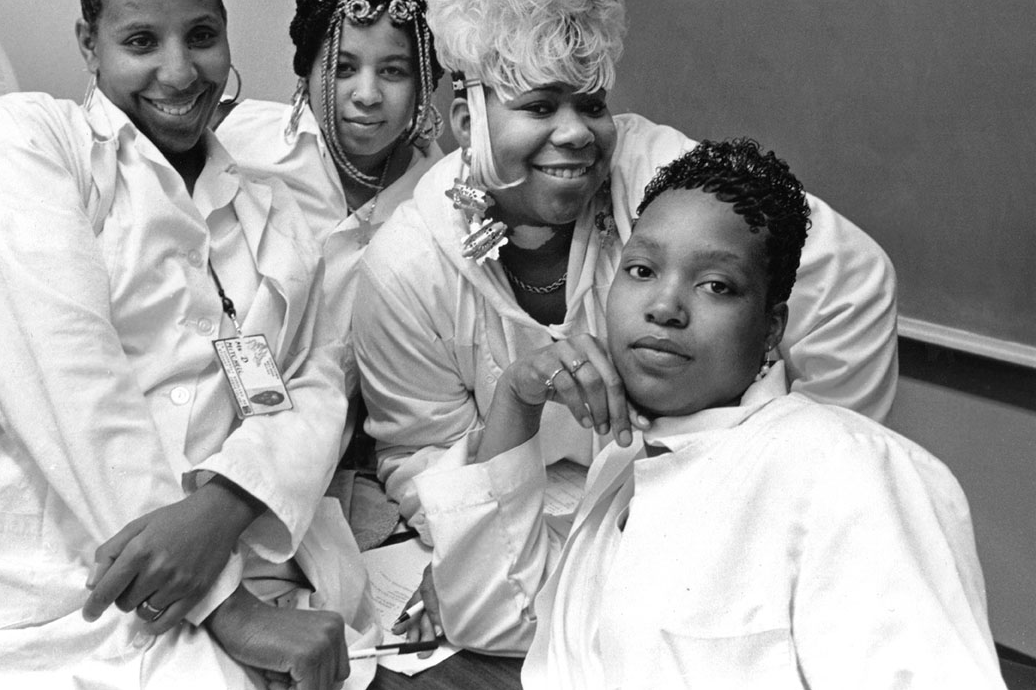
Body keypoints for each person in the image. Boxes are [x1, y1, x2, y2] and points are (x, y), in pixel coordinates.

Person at [0, 0, 374, 690]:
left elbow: (314, 387)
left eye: (201, 35)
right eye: (141, 41)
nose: (179, 72)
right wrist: (226, 607)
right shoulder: (27, 142)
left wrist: (226, 503)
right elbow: (66, 370)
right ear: (89, 44)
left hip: (186, 578)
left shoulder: (275, 214)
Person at [353, 0, 898, 548]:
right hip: (524, 553)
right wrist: (527, 538)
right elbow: (419, 456)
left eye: (591, 104)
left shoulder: (660, 177)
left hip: (694, 530)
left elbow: (851, 279)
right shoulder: (407, 266)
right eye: (539, 106)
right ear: (469, 123)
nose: (576, 133)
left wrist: (803, 489)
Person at [411, 139, 1005, 687]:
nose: (665, 306)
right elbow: (493, 616)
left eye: (717, 285)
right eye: (642, 270)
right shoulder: (624, 465)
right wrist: (516, 401)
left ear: (771, 328)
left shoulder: (846, 467)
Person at [215, 0, 443, 461]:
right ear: (307, 73)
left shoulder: (444, 196)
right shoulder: (235, 138)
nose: (367, 94)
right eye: (343, 68)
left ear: (424, 83)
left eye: (393, 71)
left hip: (332, 442)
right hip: (207, 397)